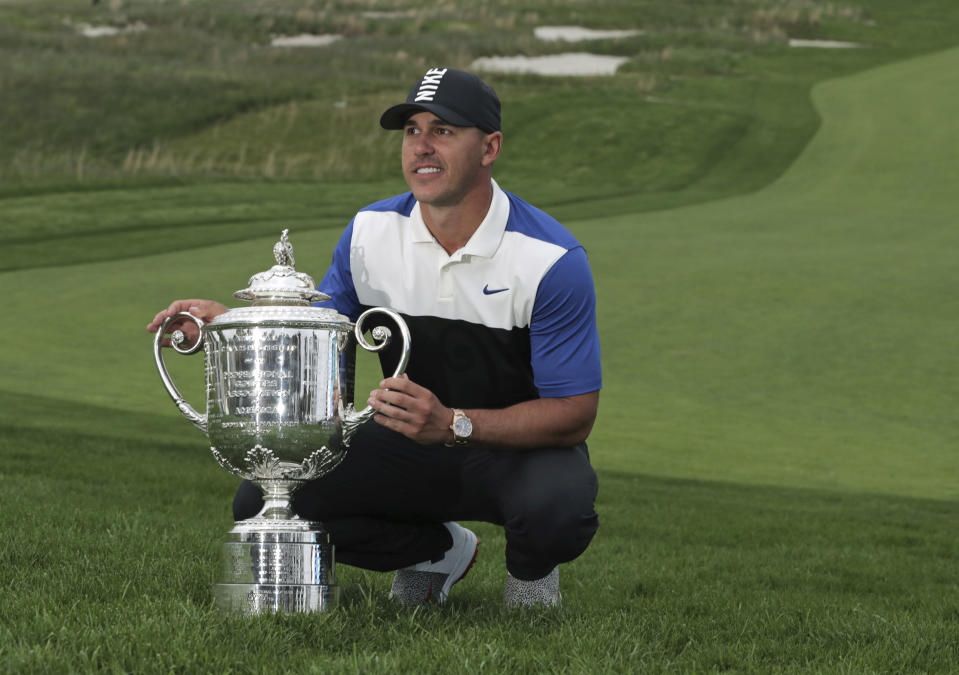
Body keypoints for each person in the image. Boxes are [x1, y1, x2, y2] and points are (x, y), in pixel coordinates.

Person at [147, 67, 601, 608]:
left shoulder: (551, 259)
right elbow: (317, 338)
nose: (422, 147)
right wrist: (232, 327)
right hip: (404, 442)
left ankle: (531, 575)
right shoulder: (370, 232)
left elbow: (575, 412)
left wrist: (453, 424)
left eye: (443, 130)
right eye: (411, 131)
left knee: (560, 503)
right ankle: (435, 552)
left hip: (513, 449)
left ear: (489, 147)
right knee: (262, 500)